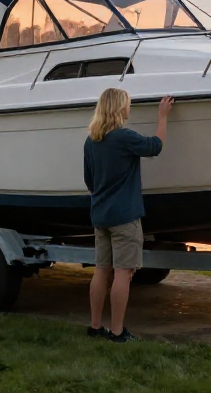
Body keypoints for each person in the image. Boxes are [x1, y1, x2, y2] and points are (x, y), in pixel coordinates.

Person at [83, 88, 173, 343]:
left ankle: (95, 326)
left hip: (100, 217)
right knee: (123, 273)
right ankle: (118, 331)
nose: (129, 108)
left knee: (102, 271)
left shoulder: (91, 140)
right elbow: (155, 147)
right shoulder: (124, 137)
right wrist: (163, 116)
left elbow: (90, 181)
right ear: (119, 108)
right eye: (128, 105)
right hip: (124, 218)